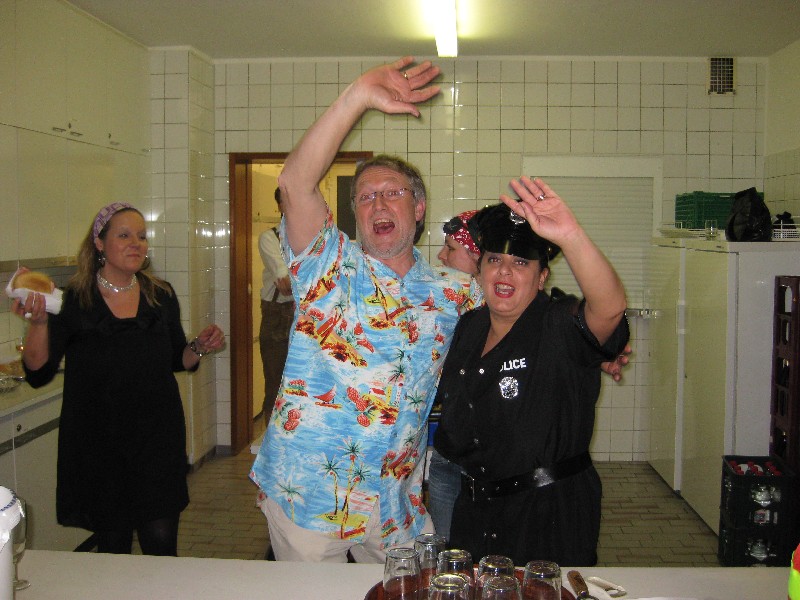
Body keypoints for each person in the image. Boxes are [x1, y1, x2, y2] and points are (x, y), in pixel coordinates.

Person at [249, 56, 482, 563]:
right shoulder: (328, 265)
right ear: (353, 213)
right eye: (366, 197)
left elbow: (515, 327)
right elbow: (294, 183)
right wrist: (357, 96)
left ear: (418, 208)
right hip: (307, 495)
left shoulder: (457, 292)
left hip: (396, 501)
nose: (378, 204)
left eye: (392, 193)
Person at [433, 179, 630, 567]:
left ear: (542, 278)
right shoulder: (469, 328)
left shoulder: (558, 326)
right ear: (479, 271)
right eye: (494, 260)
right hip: (476, 510)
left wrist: (571, 236)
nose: (505, 271)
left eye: (521, 263)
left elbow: (608, 309)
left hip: (548, 516)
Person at [11, 202, 225, 556]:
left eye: (141, 236)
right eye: (124, 235)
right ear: (99, 243)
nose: (136, 244)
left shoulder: (161, 295)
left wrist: (199, 347)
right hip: (100, 446)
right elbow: (38, 371)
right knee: (113, 548)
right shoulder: (75, 300)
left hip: (156, 440)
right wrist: (37, 323)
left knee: (162, 545)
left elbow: (177, 359)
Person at [258, 187, 294, 424]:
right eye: (286, 201)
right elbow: (285, 282)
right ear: (280, 206)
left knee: (303, 387)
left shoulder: (314, 237)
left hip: (308, 317)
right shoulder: (270, 237)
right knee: (276, 385)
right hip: (277, 318)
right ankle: (271, 439)